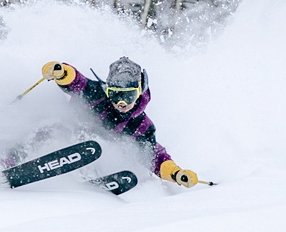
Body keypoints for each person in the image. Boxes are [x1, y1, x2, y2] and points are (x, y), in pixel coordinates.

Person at [40, 56, 201, 188]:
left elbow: (153, 155)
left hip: (96, 153)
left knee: (100, 147)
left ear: (140, 92)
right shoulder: (96, 96)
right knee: (53, 128)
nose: (121, 103)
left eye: (128, 96)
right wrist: (60, 72)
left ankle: (91, 177)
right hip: (68, 134)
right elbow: (77, 81)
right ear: (107, 90)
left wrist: (176, 173)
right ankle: (19, 155)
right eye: (115, 94)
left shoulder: (140, 125)